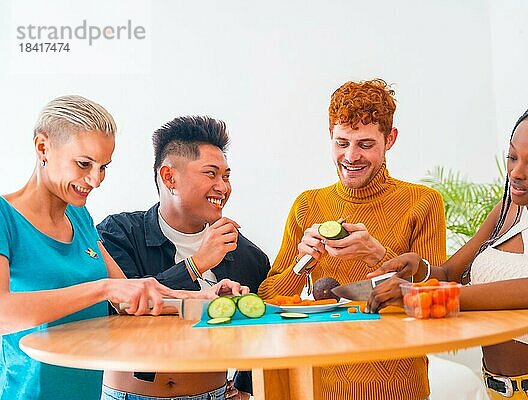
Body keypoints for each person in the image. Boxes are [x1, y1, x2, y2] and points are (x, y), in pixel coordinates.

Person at [0, 96, 247, 400]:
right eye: (84, 164)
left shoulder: (79, 217)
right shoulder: (4, 216)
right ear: (42, 148)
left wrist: (202, 297)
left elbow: (129, 295)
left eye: (103, 167)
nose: (95, 179)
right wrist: (102, 289)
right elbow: (3, 314)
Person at [368, 100, 528, 399]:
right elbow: (452, 274)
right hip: (494, 392)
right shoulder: (505, 211)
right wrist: (420, 270)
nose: (516, 172)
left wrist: (429, 297)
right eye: (512, 157)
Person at [258, 79, 447, 400]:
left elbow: (436, 298)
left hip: (399, 386)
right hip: (320, 383)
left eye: (365, 144)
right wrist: (301, 265)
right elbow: (268, 299)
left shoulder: (423, 202)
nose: (351, 156)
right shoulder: (308, 204)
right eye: (341, 142)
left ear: (390, 140)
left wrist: (377, 254)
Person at [97, 115, 270, 400]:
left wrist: (244, 386)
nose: (223, 187)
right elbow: (117, 309)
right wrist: (196, 264)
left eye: (226, 176)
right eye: (211, 174)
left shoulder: (244, 253)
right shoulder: (119, 233)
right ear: (169, 177)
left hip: (213, 394)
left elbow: (261, 324)